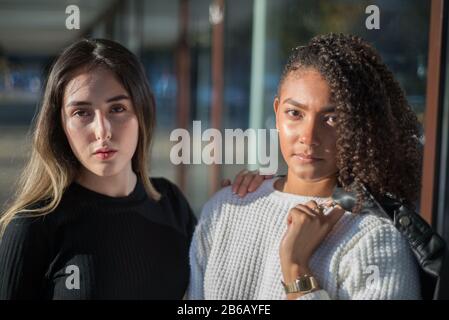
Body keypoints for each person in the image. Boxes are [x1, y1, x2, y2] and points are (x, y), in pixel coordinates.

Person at [187, 33, 422, 300]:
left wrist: (296, 268)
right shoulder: (224, 208)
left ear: (358, 128)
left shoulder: (374, 238)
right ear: (276, 113)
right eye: (295, 113)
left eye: (332, 118)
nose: (309, 137)